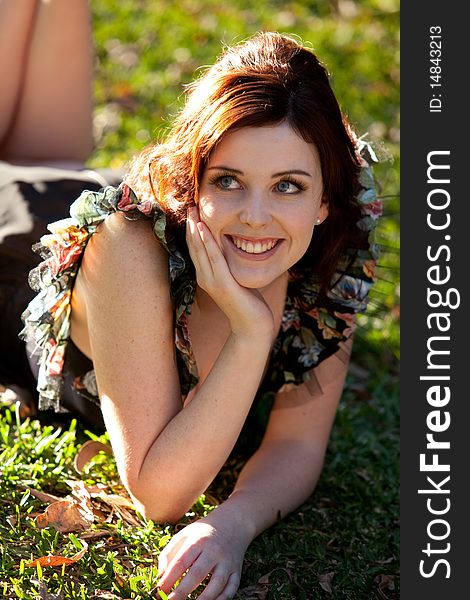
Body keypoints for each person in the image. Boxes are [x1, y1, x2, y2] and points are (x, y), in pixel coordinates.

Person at [1, 3, 382, 599]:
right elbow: (160, 491)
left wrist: (233, 522)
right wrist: (253, 332)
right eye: (228, 180)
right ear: (192, 184)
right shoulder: (130, 248)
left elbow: (297, 444)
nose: (256, 217)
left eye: (288, 185)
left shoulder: (328, 252)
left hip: (59, 170)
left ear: (325, 200)